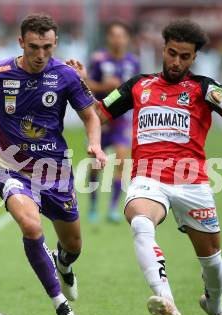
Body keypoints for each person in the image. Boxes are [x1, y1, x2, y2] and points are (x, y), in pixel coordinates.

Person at [67, 19, 222, 315]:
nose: (176, 61)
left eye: (184, 56)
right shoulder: (139, 85)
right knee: (141, 222)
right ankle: (166, 298)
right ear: (163, 49)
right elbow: (98, 113)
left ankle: (214, 305)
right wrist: (79, 85)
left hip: (193, 182)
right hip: (149, 178)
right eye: (172, 53)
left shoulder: (204, 87)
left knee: (212, 262)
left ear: (194, 58)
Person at [0, 14, 106, 315]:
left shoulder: (66, 75)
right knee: (31, 226)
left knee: (73, 245)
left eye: (47, 47)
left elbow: (91, 115)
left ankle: (62, 263)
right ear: (21, 42)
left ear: (55, 44)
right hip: (11, 167)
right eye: (34, 47)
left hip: (56, 171)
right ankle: (62, 308)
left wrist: (95, 145)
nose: (40, 54)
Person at [86, 21, 140, 223]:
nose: (118, 39)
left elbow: (139, 88)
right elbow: (86, 83)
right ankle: (92, 205)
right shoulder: (99, 59)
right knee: (96, 164)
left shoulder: (133, 62)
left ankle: (112, 208)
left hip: (122, 119)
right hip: (100, 118)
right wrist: (103, 85)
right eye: (114, 35)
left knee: (122, 159)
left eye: (121, 35)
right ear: (109, 38)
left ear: (127, 39)